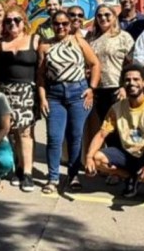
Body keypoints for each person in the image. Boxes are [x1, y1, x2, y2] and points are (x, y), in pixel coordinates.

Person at [84, 65, 144, 206]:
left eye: (136, 79)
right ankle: (130, 177)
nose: (131, 83)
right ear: (123, 84)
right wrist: (89, 157)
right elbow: (101, 134)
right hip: (128, 153)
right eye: (127, 80)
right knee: (97, 158)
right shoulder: (116, 108)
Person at [38, 11, 101, 193]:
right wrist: (42, 98)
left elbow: (95, 64)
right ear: (52, 25)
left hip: (77, 94)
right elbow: (40, 75)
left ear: (70, 24)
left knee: (75, 137)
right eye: (57, 24)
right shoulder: (45, 46)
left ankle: (73, 176)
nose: (61, 27)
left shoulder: (79, 41)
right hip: (55, 95)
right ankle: (53, 178)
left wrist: (92, 88)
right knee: (54, 137)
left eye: (65, 23)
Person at [0, 5, 39, 192]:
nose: (12, 23)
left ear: (23, 21)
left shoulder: (35, 40)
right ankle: (19, 167)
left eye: (16, 20)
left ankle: (27, 173)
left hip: (27, 91)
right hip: (5, 92)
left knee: (25, 132)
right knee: (12, 133)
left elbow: (42, 68)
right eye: (8, 21)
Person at [88, 4, 135, 136]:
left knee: (121, 128)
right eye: (99, 15)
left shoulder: (124, 37)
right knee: (104, 129)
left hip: (117, 88)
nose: (103, 18)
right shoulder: (91, 39)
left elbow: (131, 64)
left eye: (107, 15)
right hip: (98, 89)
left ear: (114, 17)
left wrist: (124, 86)